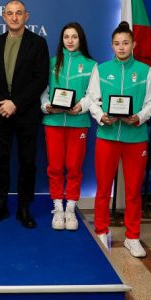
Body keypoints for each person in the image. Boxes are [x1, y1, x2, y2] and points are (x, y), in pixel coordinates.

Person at [88, 21, 151, 257]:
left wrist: (138, 117)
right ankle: (101, 230)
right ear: (112, 45)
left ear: (133, 44)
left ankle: (132, 236)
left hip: (135, 137)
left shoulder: (145, 71)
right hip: (107, 136)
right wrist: (101, 116)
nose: (121, 47)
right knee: (103, 187)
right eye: (117, 43)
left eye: (125, 43)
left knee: (133, 190)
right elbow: (92, 99)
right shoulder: (101, 69)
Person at [0, 0, 49, 228]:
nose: (14, 17)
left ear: (26, 16)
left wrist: (16, 103)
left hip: (26, 114)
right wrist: (1, 104)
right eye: (10, 13)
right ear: (3, 16)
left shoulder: (38, 43)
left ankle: (24, 208)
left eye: (18, 13)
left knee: (27, 163)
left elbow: (40, 79)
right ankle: (0, 206)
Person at [40, 22, 96, 231]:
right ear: (61, 40)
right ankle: (58, 207)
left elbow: (93, 94)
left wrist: (81, 107)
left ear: (81, 39)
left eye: (74, 37)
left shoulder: (91, 65)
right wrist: (47, 106)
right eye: (66, 37)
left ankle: (70, 208)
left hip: (78, 123)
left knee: (74, 167)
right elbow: (44, 91)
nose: (70, 41)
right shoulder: (52, 63)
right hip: (53, 122)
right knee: (55, 167)